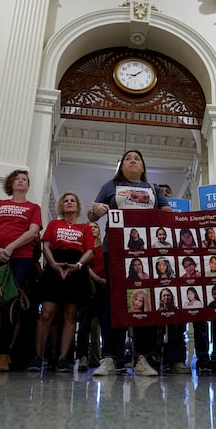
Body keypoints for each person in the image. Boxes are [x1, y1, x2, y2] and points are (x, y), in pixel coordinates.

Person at [87, 150, 172, 377]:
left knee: (144, 299)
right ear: (121, 166)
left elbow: (167, 213)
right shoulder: (110, 187)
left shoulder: (153, 189)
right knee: (114, 301)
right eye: (127, 159)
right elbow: (92, 214)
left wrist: (163, 213)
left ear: (143, 167)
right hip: (114, 250)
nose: (132, 161)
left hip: (146, 252)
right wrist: (95, 211)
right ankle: (110, 357)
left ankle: (143, 356)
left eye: (137, 158)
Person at [0, 170, 41, 372]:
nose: (21, 181)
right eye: (17, 179)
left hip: (19, 258)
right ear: (11, 184)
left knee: (10, 303)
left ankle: (4, 354)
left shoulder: (33, 207)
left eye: (25, 179)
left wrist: (10, 248)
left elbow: (33, 231)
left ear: (28, 185)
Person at [30, 192, 93, 373]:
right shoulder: (54, 224)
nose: (69, 203)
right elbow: (46, 246)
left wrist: (79, 265)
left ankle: (63, 359)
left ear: (78, 206)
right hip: (55, 265)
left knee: (70, 314)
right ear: (61, 206)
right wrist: (53, 265)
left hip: (76, 266)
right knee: (47, 312)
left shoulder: (84, 228)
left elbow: (89, 250)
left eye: (73, 200)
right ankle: (38, 356)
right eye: (66, 201)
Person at [75, 221, 107, 371]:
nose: (93, 228)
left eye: (95, 227)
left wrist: (102, 281)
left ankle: (101, 357)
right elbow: (83, 265)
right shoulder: (83, 248)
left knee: (101, 324)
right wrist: (97, 279)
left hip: (102, 289)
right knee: (84, 324)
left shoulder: (103, 248)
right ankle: (82, 356)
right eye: (90, 227)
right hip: (86, 288)